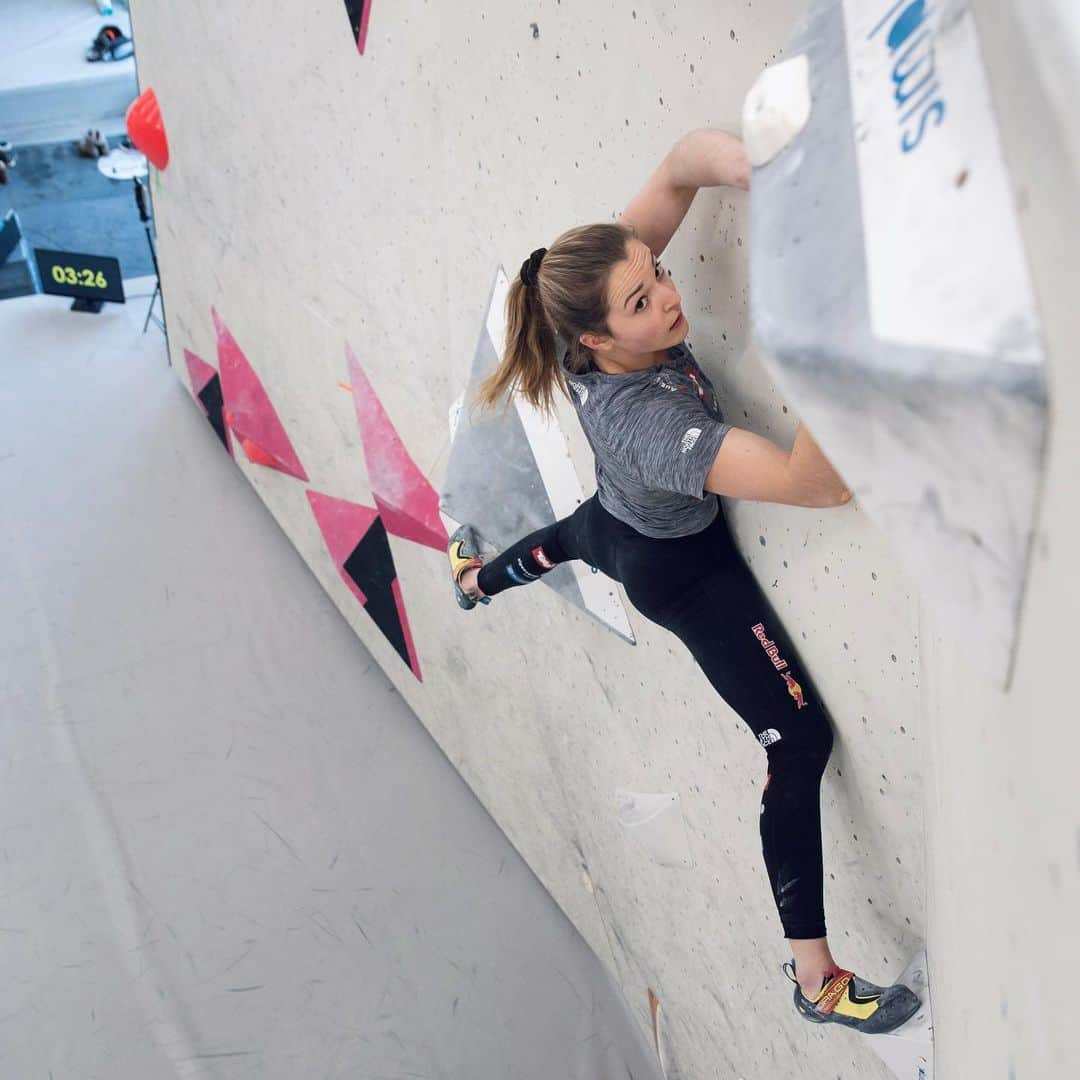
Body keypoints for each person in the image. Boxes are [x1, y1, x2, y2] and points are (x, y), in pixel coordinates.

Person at [447, 127, 920, 1035]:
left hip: (613, 514)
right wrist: (825, 335)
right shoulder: (649, 428)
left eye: (655, 274)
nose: (667, 295)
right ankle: (814, 980)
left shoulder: (590, 309)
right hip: (677, 567)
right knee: (799, 745)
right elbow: (816, 483)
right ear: (597, 338)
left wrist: (780, 178)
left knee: (564, 537)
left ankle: (477, 578)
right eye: (643, 296)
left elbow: (683, 161)